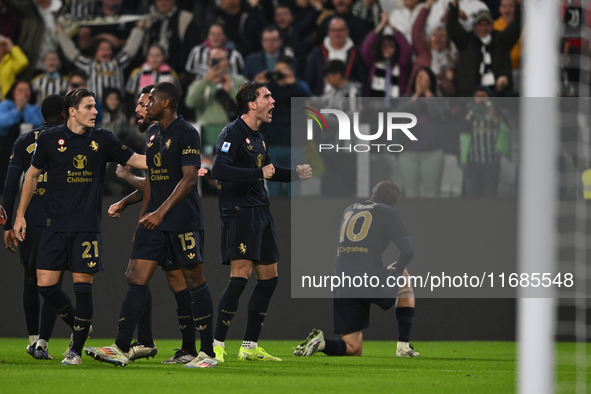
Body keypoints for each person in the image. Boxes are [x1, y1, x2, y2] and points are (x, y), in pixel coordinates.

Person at [85, 82, 218, 368]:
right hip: (155, 222)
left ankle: (206, 352)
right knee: (135, 275)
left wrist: (160, 212)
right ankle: (121, 346)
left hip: (183, 221)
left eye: (151, 101)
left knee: (193, 281)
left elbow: (188, 179)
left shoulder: (187, 133)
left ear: (166, 102)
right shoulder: (153, 134)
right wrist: (128, 201)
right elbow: (155, 182)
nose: (146, 106)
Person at [12, 88, 147, 365]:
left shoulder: (103, 138)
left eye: (95, 107)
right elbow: (32, 175)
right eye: (89, 107)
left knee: (83, 288)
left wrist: (178, 162)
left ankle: (74, 351)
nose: (95, 112)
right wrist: (20, 215)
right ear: (72, 111)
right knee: (45, 286)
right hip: (53, 226)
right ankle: (79, 323)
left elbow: (137, 160)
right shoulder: (50, 138)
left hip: (86, 227)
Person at [211, 81, 312, 362]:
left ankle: (249, 345)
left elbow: (268, 170)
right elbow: (219, 169)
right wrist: (257, 173)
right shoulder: (232, 132)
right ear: (252, 104)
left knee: (269, 279)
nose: (273, 101)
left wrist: (295, 173)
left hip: (261, 211)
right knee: (240, 277)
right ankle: (215, 345)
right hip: (239, 211)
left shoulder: (259, 137)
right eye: (267, 97)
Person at [294, 181, 420, 358]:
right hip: (367, 278)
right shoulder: (389, 211)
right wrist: (398, 269)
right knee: (405, 282)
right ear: (393, 201)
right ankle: (403, 347)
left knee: (353, 348)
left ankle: (322, 344)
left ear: (373, 193)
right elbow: (408, 251)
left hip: (342, 282)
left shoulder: (350, 208)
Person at [3, 95, 65, 361]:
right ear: (65, 114)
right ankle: (42, 341)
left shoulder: (25, 140)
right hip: (60, 219)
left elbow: (10, 183)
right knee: (53, 281)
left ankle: (31, 339)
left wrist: (7, 223)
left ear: (41, 115)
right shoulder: (70, 138)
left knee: (30, 277)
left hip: (28, 218)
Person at [446, 0, 521, 97]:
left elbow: (516, 25)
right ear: (474, 26)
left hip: (499, 96)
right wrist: (454, 5)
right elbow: (451, 26)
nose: (483, 28)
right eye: (480, 24)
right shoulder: (466, 41)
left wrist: (519, 4)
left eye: (487, 24)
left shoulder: (502, 41)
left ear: (492, 25)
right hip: (470, 97)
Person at [185, 48, 248, 154]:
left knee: (228, 165)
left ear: (227, 62)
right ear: (209, 62)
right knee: (207, 168)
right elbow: (190, 102)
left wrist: (231, 91)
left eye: (221, 60)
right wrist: (206, 81)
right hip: (206, 132)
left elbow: (249, 103)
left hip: (231, 132)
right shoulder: (200, 83)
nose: (217, 63)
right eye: (214, 60)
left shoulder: (238, 81)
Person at [0, 80, 43, 194]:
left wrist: (25, 108)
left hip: (28, 147)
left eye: (27, 90)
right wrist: (18, 109)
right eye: (20, 90)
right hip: (6, 148)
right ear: (13, 92)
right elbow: (2, 123)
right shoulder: (5, 105)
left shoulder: (33, 108)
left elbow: (38, 123)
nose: (23, 93)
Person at [306, 17, 367, 96]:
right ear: (329, 32)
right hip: (321, 99)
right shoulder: (317, 53)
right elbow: (310, 79)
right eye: (334, 30)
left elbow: (362, 80)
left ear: (347, 32)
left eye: (340, 30)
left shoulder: (356, 54)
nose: (337, 34)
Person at [360, 11, 413, 98]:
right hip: (373, 106)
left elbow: (407, 49)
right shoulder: (374, 63)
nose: (387, 49)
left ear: (396, 49)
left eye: (391, 46)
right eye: (384, 46)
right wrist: (381, 25)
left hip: (395, 108)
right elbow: (365, 48)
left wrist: (391, 26)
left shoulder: (401, 64)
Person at [0, 35, 28, 100]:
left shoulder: (10, 62)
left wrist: (11, 47)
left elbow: (23, 62)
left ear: (5, 47)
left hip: (6, 100)